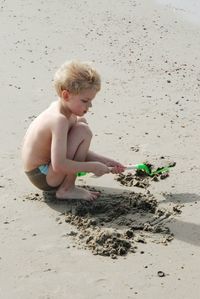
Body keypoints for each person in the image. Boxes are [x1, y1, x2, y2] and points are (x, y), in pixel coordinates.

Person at [22, 60, 125, 201]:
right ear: (66, 95)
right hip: (42, 175)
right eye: (85, 100)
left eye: (91, 100)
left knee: (81, 124)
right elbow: (59, 165)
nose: (90, 105)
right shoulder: (59, 120)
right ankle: (66, 188)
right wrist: (92, 167)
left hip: (48, 170)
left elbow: (69, 150)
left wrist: (105, 161)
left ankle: (67, 186)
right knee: (83, 131)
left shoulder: (65, 111)